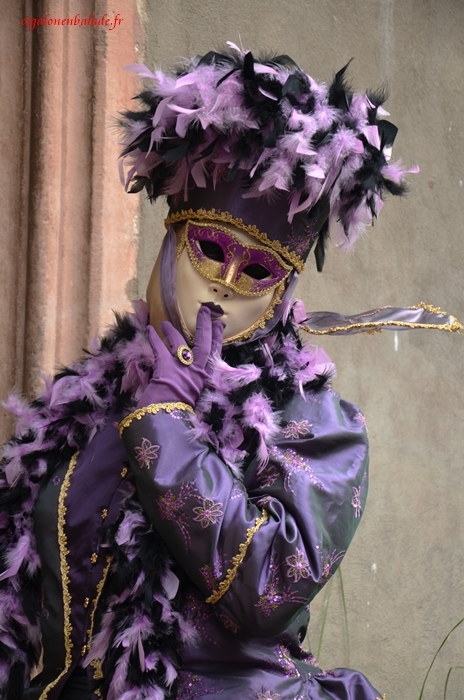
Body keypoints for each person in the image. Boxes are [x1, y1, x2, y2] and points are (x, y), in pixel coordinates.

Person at [0, 45, 461, 700]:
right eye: (211, 250)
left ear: (282, 290)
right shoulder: (88, 400)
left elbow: (270, 588)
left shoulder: (317, 424)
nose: (223, 283)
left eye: (257, 270)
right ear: (174, 238)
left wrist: (168, 429)